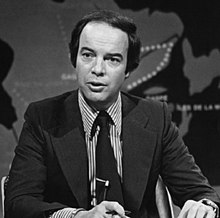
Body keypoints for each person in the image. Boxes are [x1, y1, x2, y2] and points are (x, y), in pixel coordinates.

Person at [5, 10, 220, 218]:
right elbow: (19, 202)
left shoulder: (156, 118)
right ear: (74, 59)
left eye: (112, 59)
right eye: (88, 55)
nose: (97, 69)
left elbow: (199, 191)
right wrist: (78, 216)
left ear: (128, 69)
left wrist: (205, 206)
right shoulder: (42, 117)